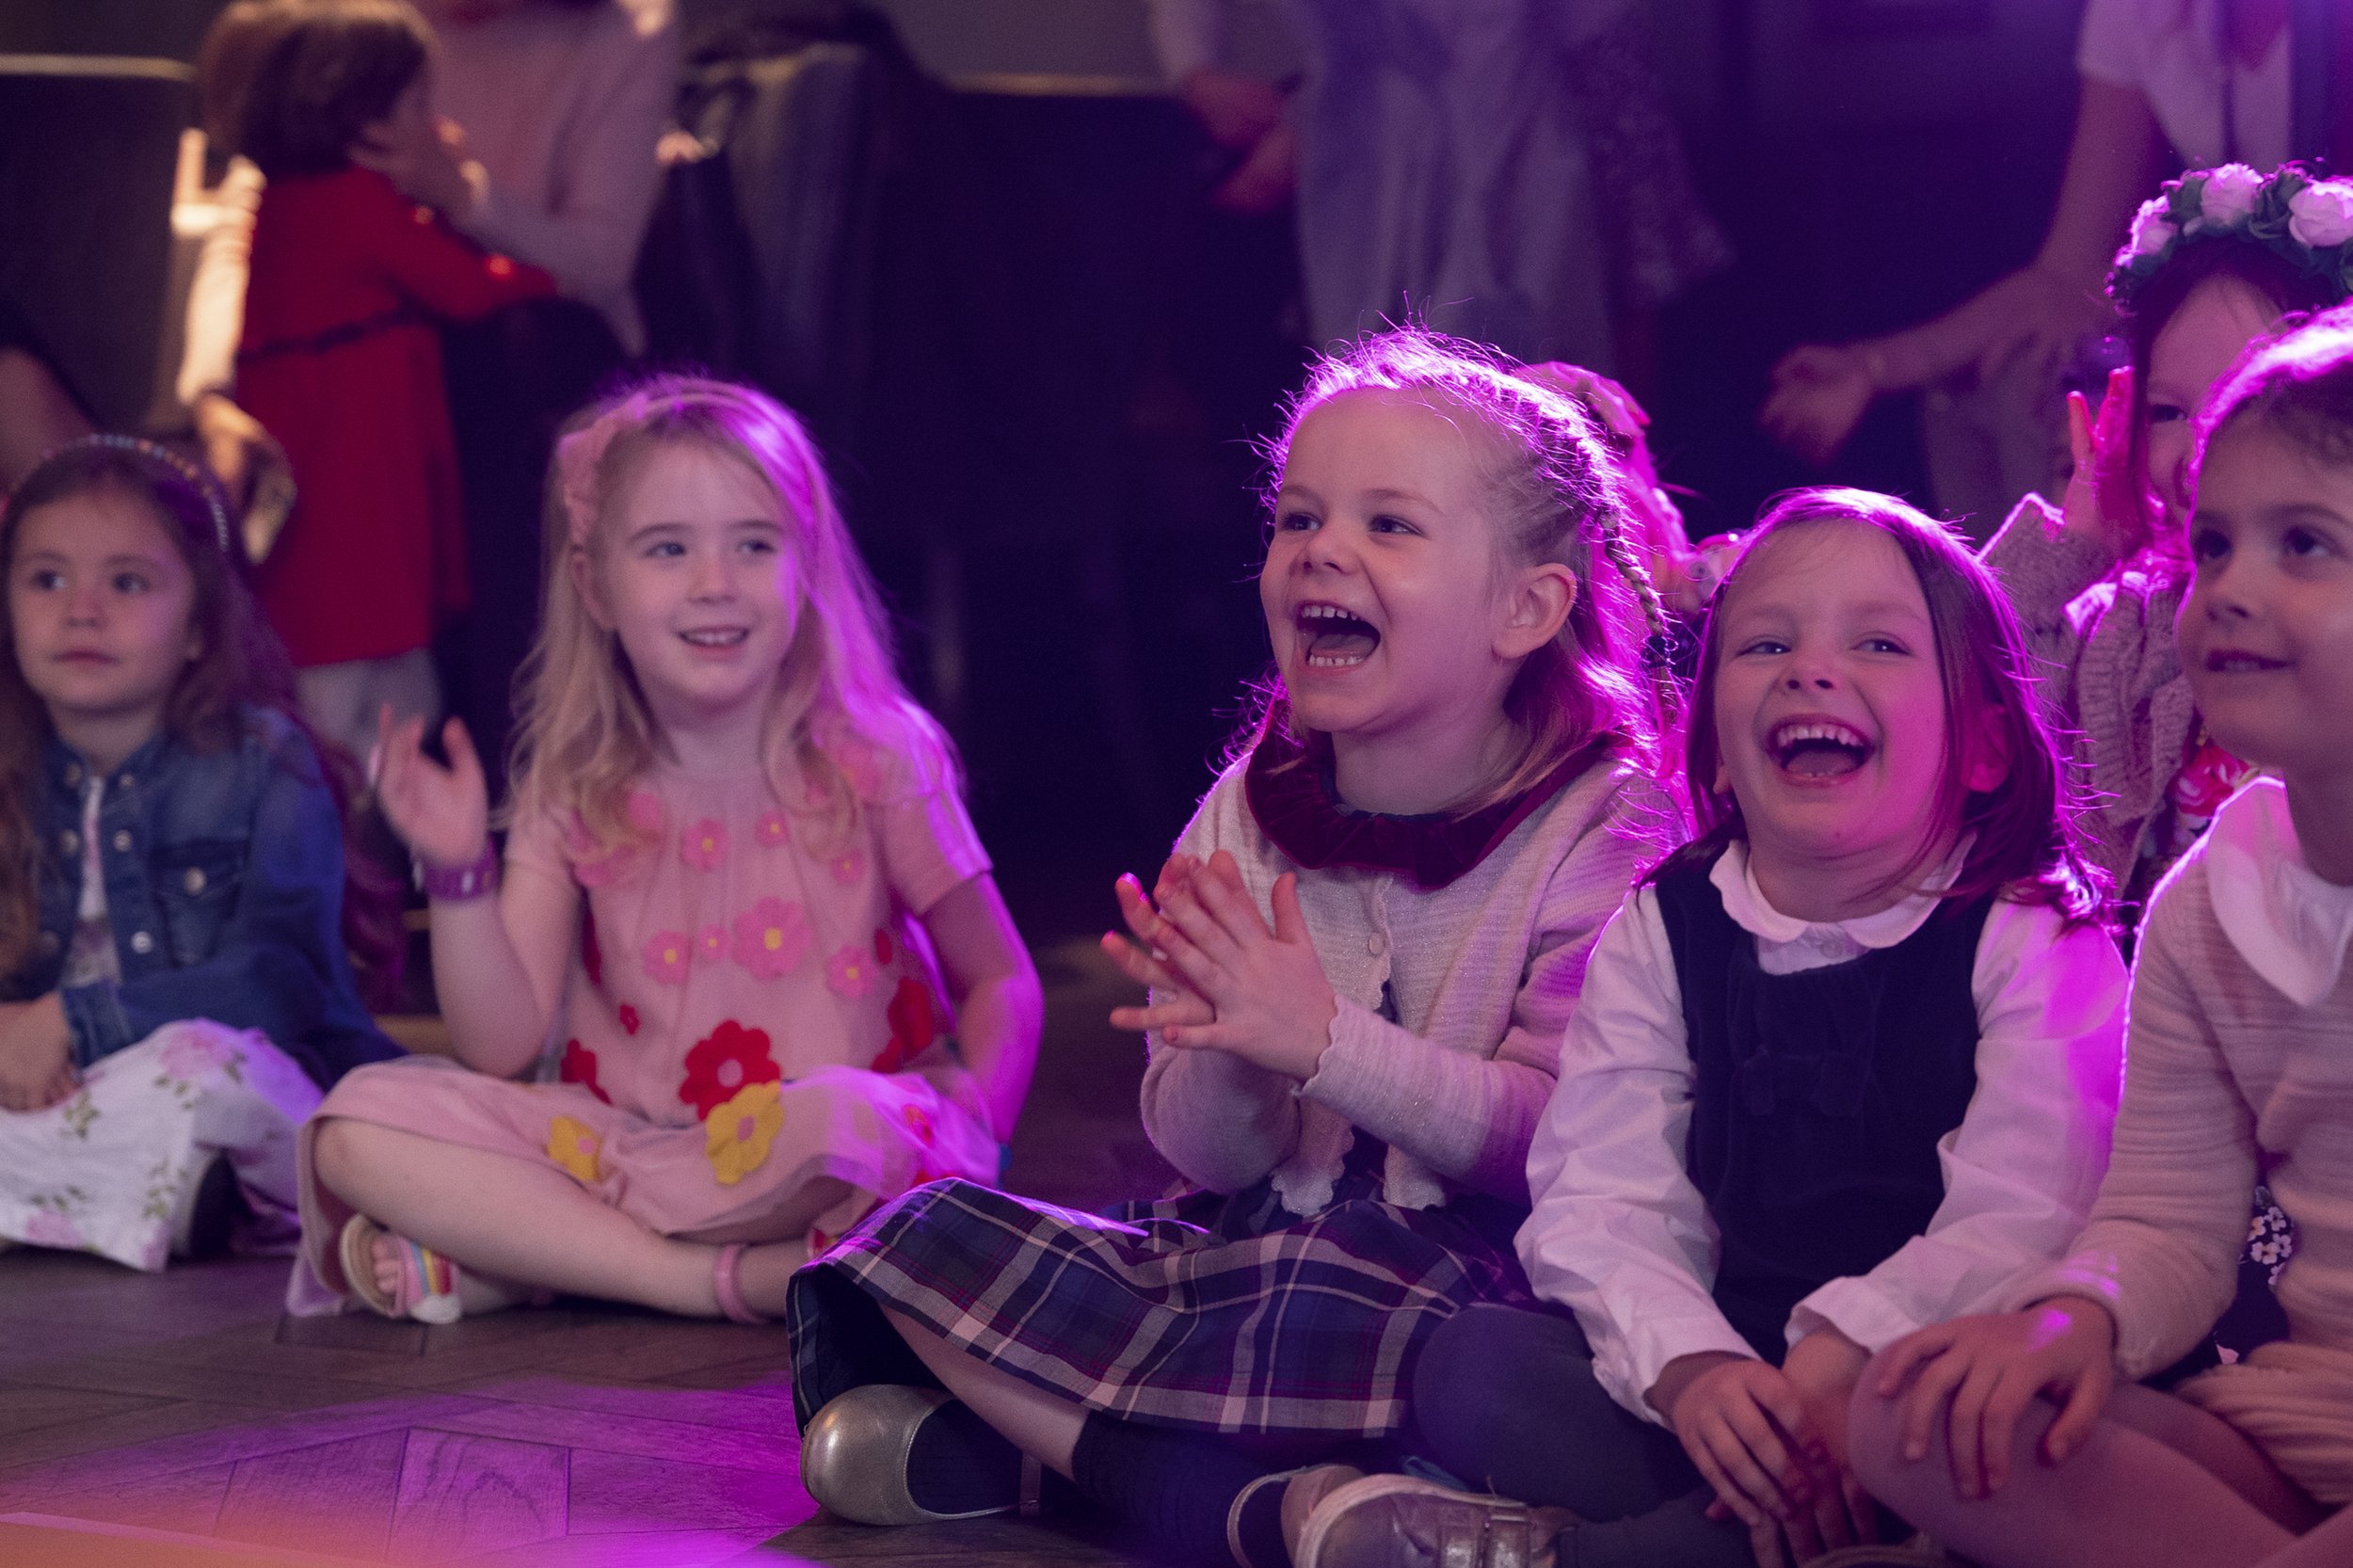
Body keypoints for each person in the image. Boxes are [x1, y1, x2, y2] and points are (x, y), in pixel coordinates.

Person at [784, 329, 1683, 1568]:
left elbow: (1551, 1141)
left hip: (1470, 1279)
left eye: (1390, 525)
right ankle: (1279, 1504)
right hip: (1254, 1251)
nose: (1322, 548)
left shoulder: (1605, 818)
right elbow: (1201, 1149)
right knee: (903, 1245)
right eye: (1299, 516)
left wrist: (1323, 1040)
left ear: (1525, 608)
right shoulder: (1252, 802)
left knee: (1401, 1328)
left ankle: (1102, 1471)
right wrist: (1233, 1055)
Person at [1296, 488, 2128, 1568]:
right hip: (1729, 1387)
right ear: (1720, 753)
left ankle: (1574, 1552)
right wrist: (1693, 1374)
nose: (1810, 669)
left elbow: (2025, 1215)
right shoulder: (1666, 922)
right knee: (1470, 1364)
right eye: (1768, 642)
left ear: (1982, 747)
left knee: (1973, 1451)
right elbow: (1604, 1192)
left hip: (1922, 1387)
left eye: (1877, 642)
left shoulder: (2033, 938)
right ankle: (1735, 1526)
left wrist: (1834, 1368)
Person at [288, 375, 1038, 1326]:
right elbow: (500, 1044)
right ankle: (714, 1280)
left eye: (753, 545)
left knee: (847, 1124)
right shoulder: (575, 781)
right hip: (632, 1152)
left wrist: (977, 1135)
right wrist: (458, 872)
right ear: (596, 587)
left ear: (805, 569)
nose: (713, 583)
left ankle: (536, 1261)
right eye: (668, 549)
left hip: (820, 1148)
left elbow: (1001, 980)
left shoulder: (878, 758)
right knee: (350, 1125)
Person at [1847, 303, 2353, 1568]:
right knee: (1921, 1413)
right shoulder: (2211, 899)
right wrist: (2079, 1312)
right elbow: (2171, 1211)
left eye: (2307, 544)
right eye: (2216, 541)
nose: (2231, 588)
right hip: (2292, 1436)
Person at [0, 438, 399, 1272]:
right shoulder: (10, 770)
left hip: (232, 1080)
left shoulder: (264, 760)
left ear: (197, 626)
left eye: (128, 582)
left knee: (202, 1072)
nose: (82, 609)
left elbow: (278, 982)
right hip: (59, 1099)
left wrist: (71, 1024)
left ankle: (177, 1194)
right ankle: (151, 1204)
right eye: (48, 579)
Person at [1760, 0, 2347, 481]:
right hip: (2222, 311)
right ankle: (2043, 619)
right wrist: (1872, 367)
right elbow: (2070, 271)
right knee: (2005, 388)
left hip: (2326, 324)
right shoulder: (2139, 12)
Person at [1979, 163, 2351, 917]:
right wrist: (2073, 544)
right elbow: (1964, 716)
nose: (2196, 450)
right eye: (2168, 412)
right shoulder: (2127, 618)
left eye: (2237, 399)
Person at [220, 0, 560, 765]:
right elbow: (471, 288)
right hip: (355, 480)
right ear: (365, 114)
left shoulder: (287, 200)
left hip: (328, 468)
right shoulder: (353, 203)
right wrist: (544, 273)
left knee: (347, 669)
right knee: (366, 689)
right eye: (416, 104)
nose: (430, 121)